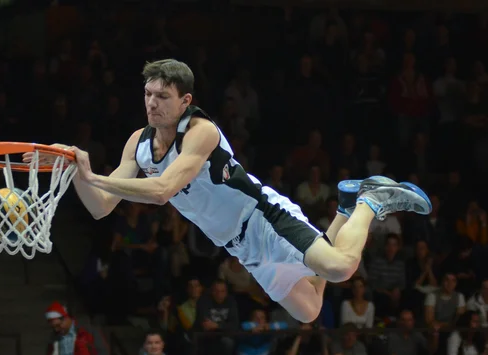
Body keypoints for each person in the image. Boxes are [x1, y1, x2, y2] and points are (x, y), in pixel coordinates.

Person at [27, 59, 432, 323]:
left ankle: (368, 202)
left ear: (185, 101)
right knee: (309, 310)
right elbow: (100, 208)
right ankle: (344, 207)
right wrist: (76, 170)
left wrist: (93, 174)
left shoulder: (201, 132)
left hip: (264, 217)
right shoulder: (138, 143)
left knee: (340, 268)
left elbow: (163, 189)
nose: (152, 103)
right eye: (148, 95)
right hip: (241, 246)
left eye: (163, 97)